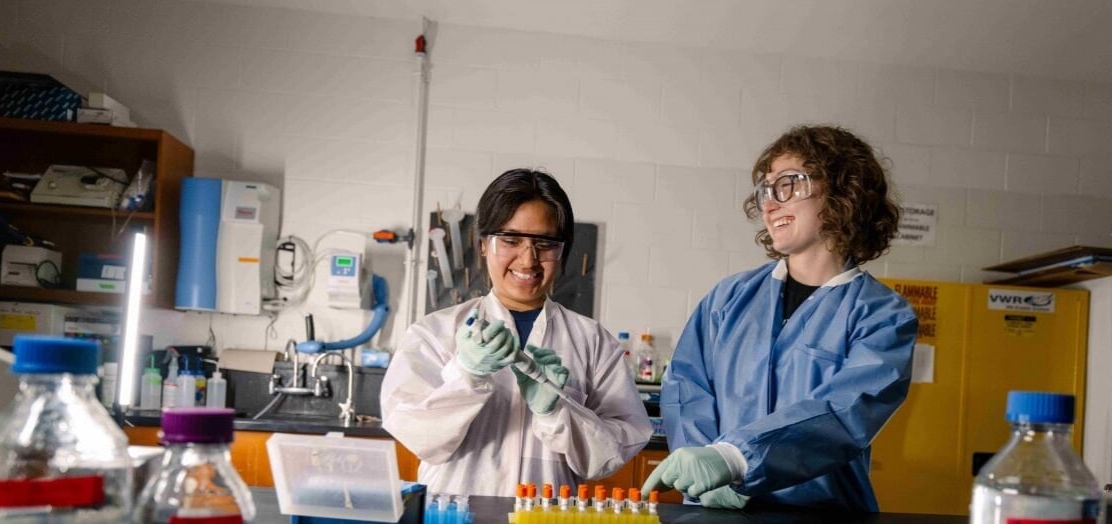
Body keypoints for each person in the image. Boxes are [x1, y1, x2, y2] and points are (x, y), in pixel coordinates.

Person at [642, 125, 917, 512]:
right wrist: (705, 463)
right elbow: (687, 389)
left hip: (825, 514)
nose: (769, 205)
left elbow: (845, 411)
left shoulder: (882, 316)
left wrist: (735, 459)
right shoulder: (728, 299)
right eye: (766, 191)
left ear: (843, 192)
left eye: (788, 185)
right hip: (719, 509)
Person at [381, 168, 652, 496]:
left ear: (562, 250)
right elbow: (415, 436)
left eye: (545, 243)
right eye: (510, 240)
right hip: (454, 515)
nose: (528, 260)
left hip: (546, 516)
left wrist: (558, 411)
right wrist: (466, 376)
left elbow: (610, 455)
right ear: (483, 245)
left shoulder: (593, 342)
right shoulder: (434, 333)